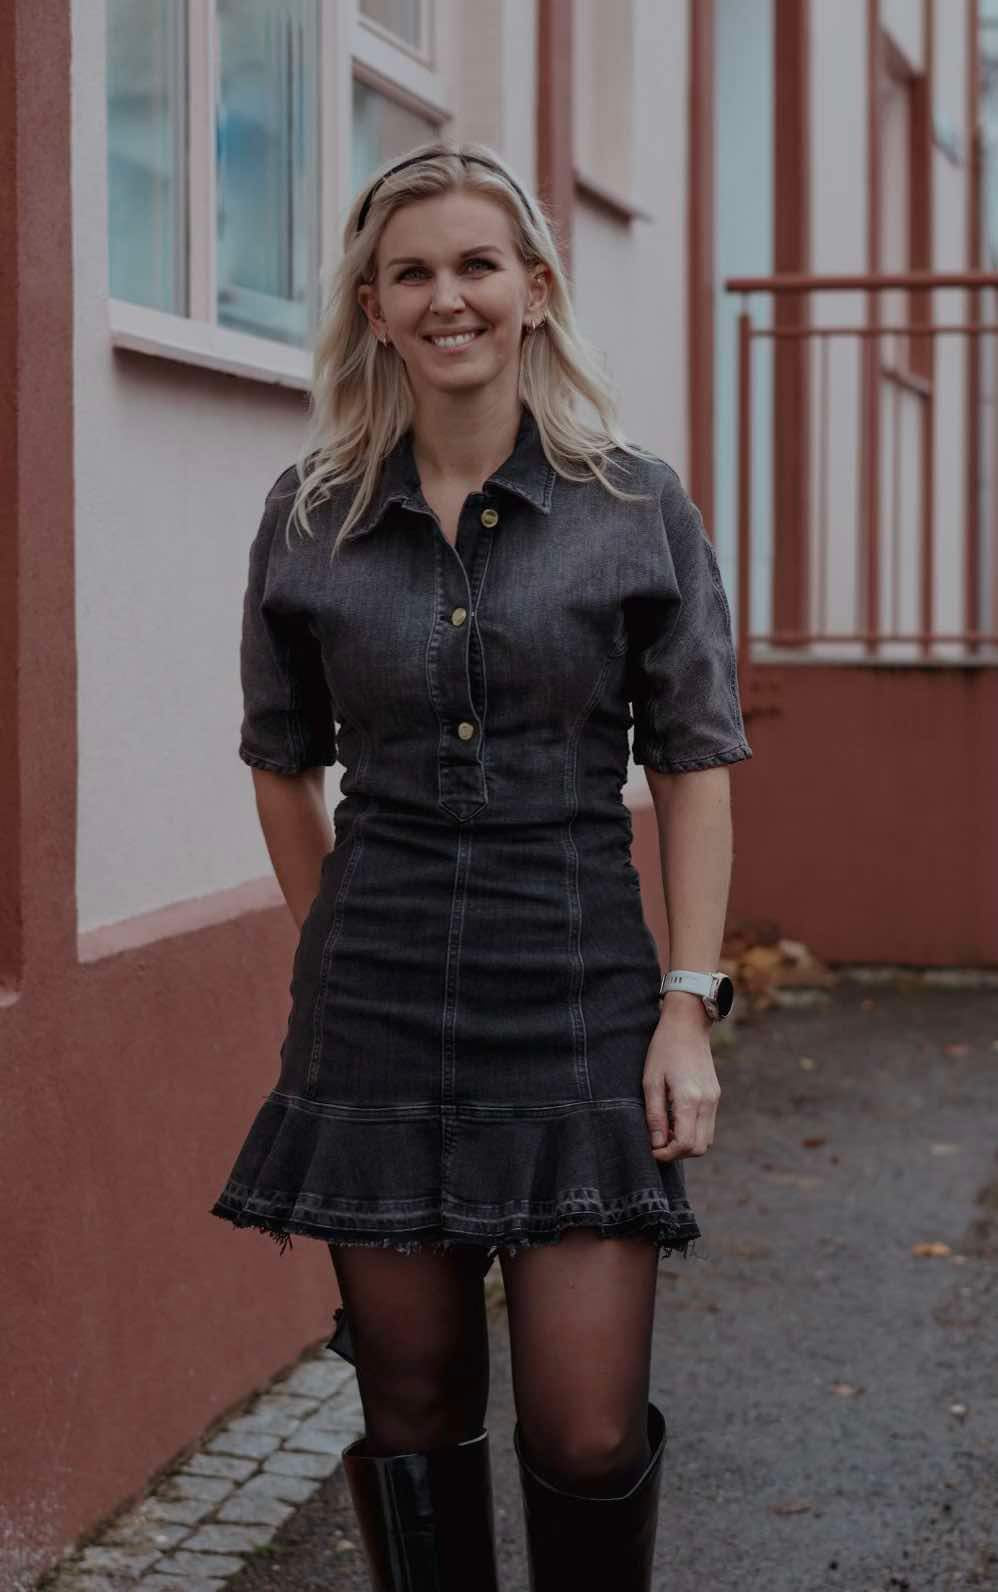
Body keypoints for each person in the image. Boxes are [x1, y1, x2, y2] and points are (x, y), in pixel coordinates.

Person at [210, 140, 752, 1591]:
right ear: (373, 310)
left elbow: (694, 761)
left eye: (475, 265)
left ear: (534, 290)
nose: (446, 297)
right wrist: (330, 950)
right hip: (377, 997)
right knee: (415, 1410)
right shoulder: (311, 513)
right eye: (412, 274)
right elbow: (280, 758)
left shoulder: (633, 507)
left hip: (576, 986)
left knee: (585, 1430)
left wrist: (687, 1006)